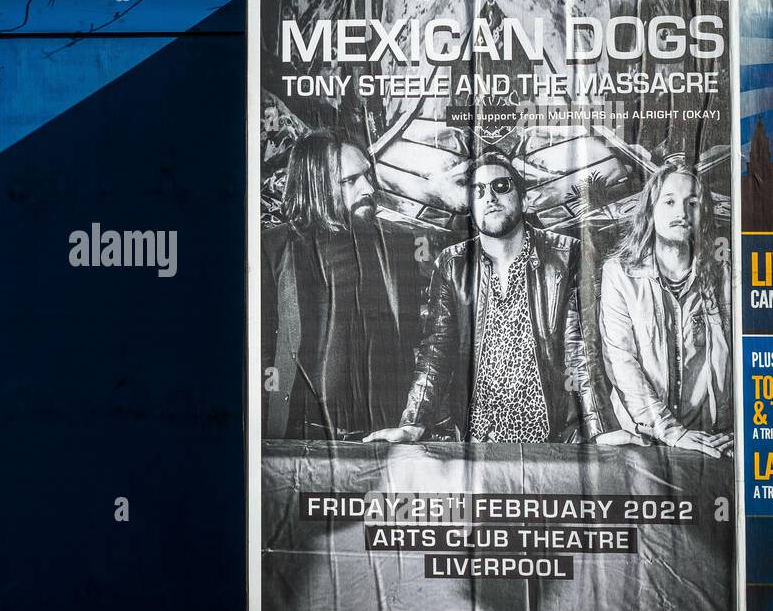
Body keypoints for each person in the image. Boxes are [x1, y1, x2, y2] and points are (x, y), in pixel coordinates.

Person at [364, 152, 614, 445]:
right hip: (478, 441)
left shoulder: (566, 255)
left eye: (501, 186)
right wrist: (413, 422)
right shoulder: (452, 263)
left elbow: (580, 349)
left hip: (551, 443)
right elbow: (436, 350)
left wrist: (600, 430)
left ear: (524, 199)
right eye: (478, 191)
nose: (490, 197)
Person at [261, 129, 419, 439]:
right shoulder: (273, 247)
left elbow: (415, 341)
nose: (368, 188)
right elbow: (260, 349)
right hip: (301, 433)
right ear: (316, 186)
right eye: (350, 181)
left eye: (367, 175)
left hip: (383, 434)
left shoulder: (399, 243)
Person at [598, 161, 732, 458]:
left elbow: (735, 358)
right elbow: (621, 361)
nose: (681, 213)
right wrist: (671, 431)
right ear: (650, 211)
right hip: (641, 439)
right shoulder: (619, 274)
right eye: (669, 201)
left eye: (692, 203)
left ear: (703, 214)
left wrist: (734, 430)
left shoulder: (721, 275)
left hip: (707, 442)